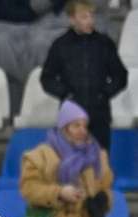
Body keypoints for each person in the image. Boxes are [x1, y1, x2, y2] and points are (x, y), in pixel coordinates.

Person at [40, 0, 127, 150]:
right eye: (84, 17)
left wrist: (104, 94)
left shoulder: (104, 44)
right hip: (71, 118)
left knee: (99, 167)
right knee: (71, 167)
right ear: (72, 19)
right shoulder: (60, 45)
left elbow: (121, 76)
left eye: (91, 16)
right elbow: (47, 78)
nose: (90, 21)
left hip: (99, 117)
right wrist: (66, 94)